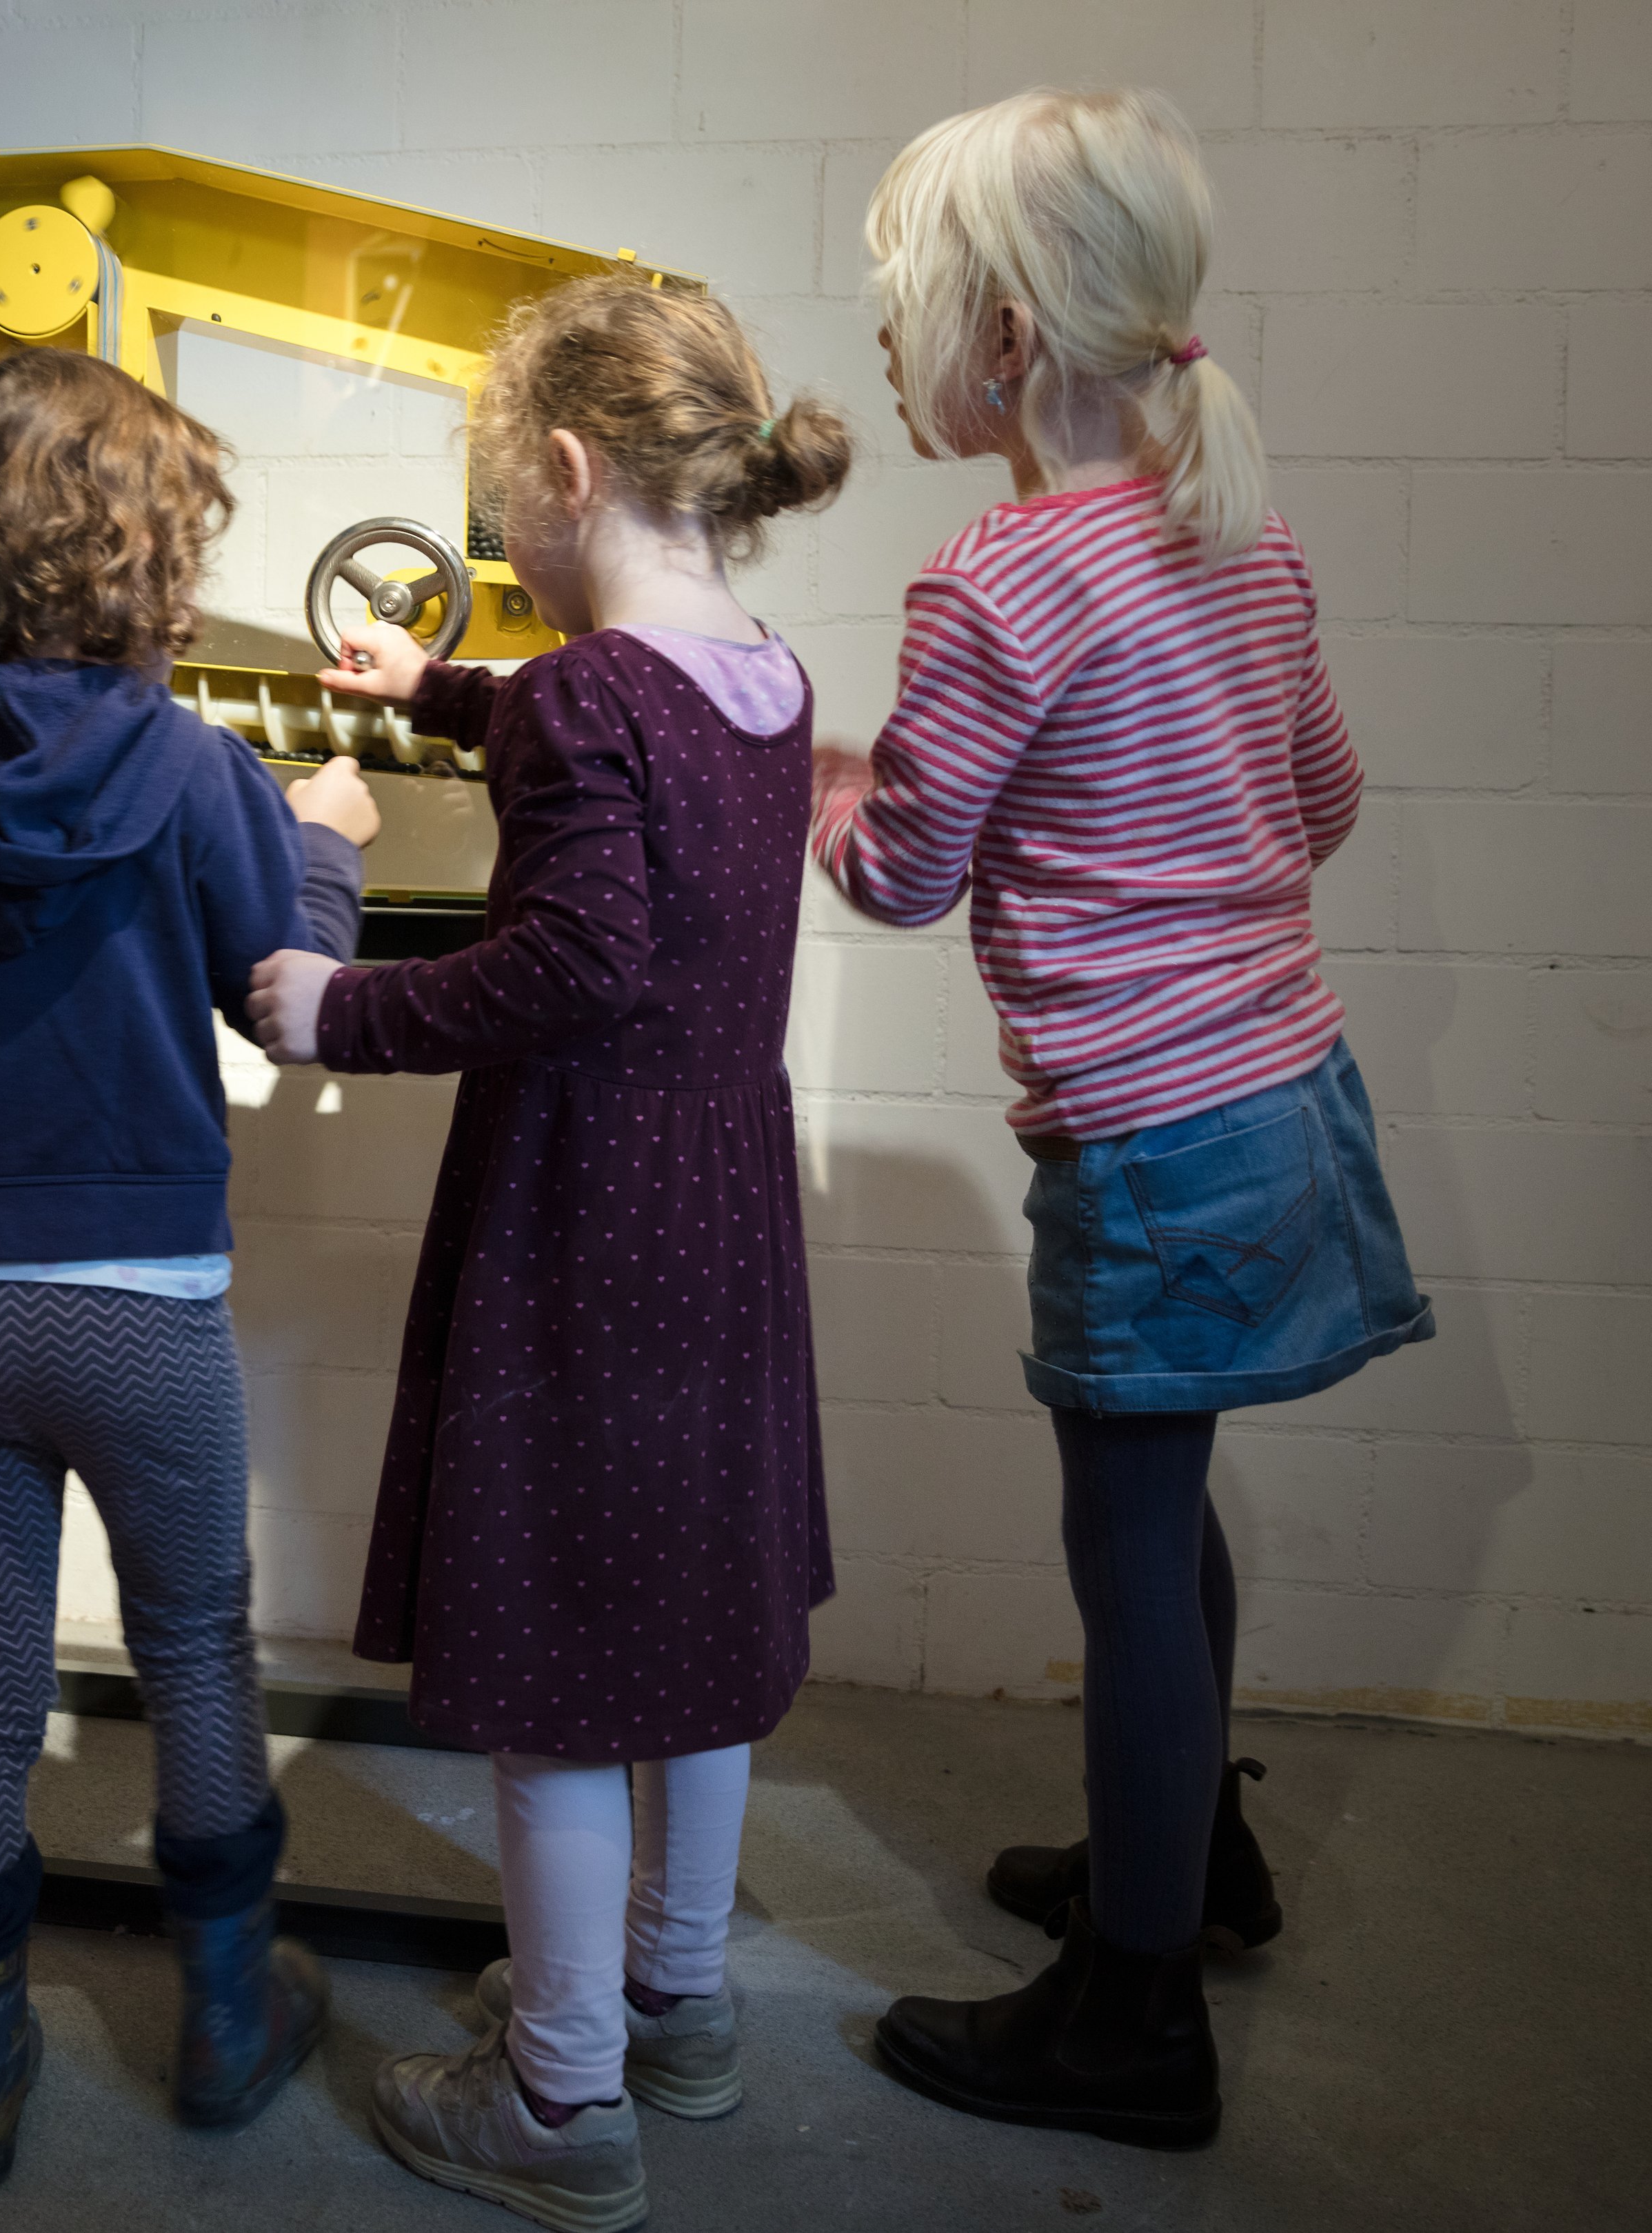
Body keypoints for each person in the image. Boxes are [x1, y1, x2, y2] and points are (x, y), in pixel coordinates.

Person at [811, 89, 1432, 2149]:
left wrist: (816, 780)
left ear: (1002, 336)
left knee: (1127, 1547)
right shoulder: (1236, 525)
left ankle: (1135, 2018)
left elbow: (902, 869)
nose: (884, 333)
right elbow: (1323, 802)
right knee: (1168, 1518)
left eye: (901, 299)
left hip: (1152, 1142)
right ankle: (1195, 1858)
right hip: (1285, 1095)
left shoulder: (1000, 576)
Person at [250, 272, 852, 2233]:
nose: (503, 532)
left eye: (504, 497)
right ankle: (674, 2000)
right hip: (722, 1201)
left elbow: (580, 952)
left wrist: (343, 1011)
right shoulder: (762, 676)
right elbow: (599, 750)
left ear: (571, 473)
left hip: (590, 1204)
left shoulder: (594, 694)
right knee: (686, 1623)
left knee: (559, 1660)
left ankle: (562, 2095)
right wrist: (430, 687)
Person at [0, 347, 376, 2187]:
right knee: (194, 1648)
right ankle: (228, 2013)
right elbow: (282, 988)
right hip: (147, 1308)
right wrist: (325, 850)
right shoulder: (194, 766)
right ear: (141, 554)